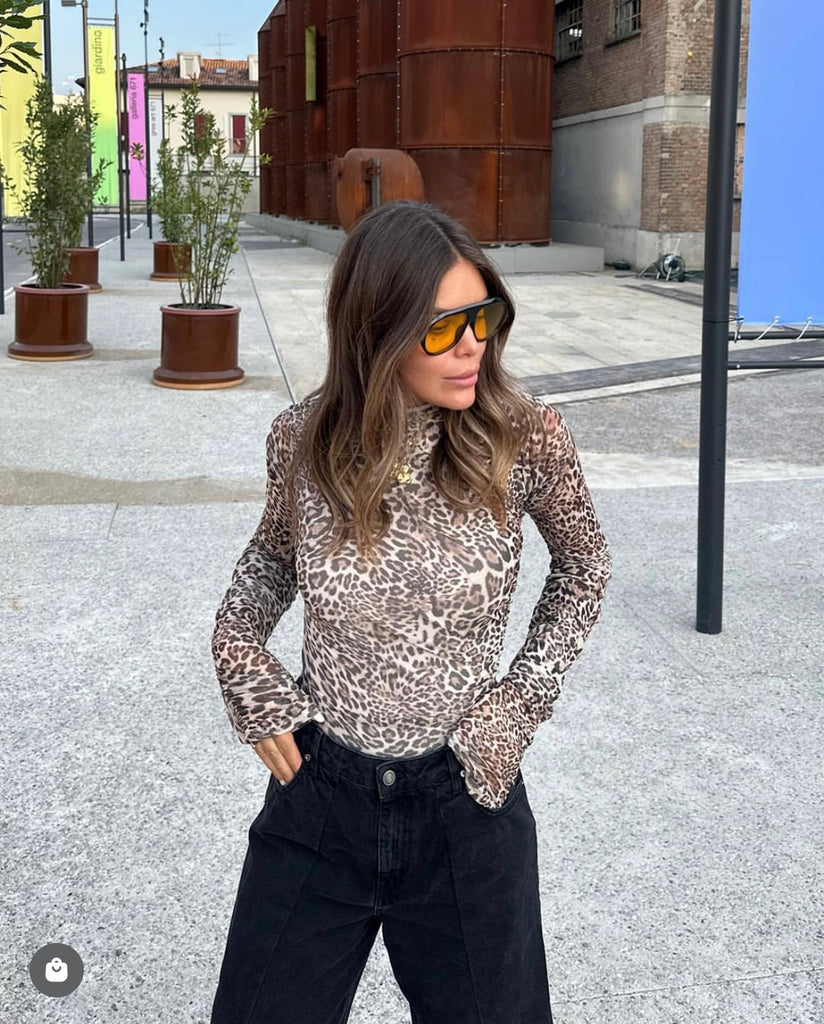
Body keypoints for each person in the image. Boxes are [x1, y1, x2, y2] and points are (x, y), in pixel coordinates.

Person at [209, 200, 612, 1024]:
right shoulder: (303, 440)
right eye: (441, 328)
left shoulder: (526, 437)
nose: (473, 345)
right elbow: (273, 559)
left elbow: (584, 566)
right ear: (376, 332)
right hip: (322, 798)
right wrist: (238, 651)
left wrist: (519, 703)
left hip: (466, 802)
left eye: (482, 315)